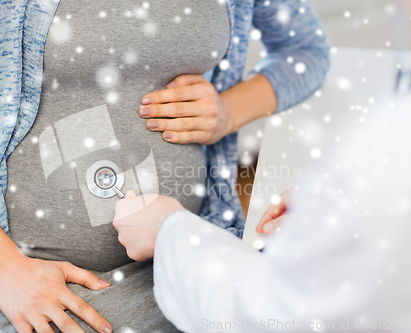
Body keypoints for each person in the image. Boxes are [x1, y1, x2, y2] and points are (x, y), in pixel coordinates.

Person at [0, 0, 330, 332]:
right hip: (33, 285)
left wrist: (229, 111)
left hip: (185, 265)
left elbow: (307, 52)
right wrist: (3, 267)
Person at [113, 79, 411, 332]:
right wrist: (329, 205)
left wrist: (169, 230)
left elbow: (264, 318)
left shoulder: (384, 157)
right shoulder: (385, 157)